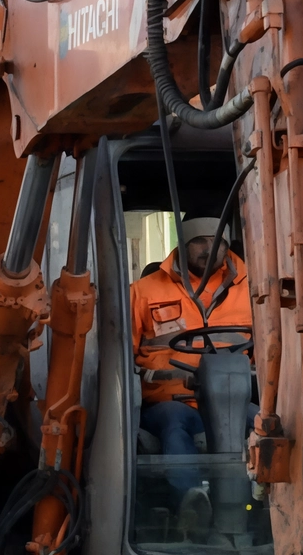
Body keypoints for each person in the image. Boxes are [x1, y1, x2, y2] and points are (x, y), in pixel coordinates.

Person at [130, 213, 252, 528]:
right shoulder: (144, 292)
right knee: (174, 423)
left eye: (217, 241)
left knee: (268, 423)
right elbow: (121, 354)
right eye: (199, 241)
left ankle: (265, 503)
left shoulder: (254, 287)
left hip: (235, 400)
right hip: (170, 401)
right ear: (182, 245)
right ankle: (191, 502)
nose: (209, 248)